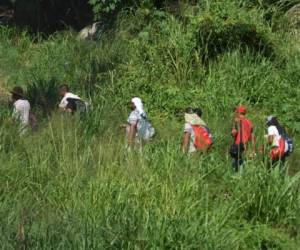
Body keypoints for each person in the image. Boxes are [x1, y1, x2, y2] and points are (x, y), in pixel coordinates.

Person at [230, 106, 256, 172]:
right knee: (243, 164)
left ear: (238, 113)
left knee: (235, 166)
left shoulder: (237, 121)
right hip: (246, 146)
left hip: (238, 145)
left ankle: (236, 178)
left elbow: (234, 133)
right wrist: (253, 150)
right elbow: (253, 138)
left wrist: (233, 127)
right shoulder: (249, 123)